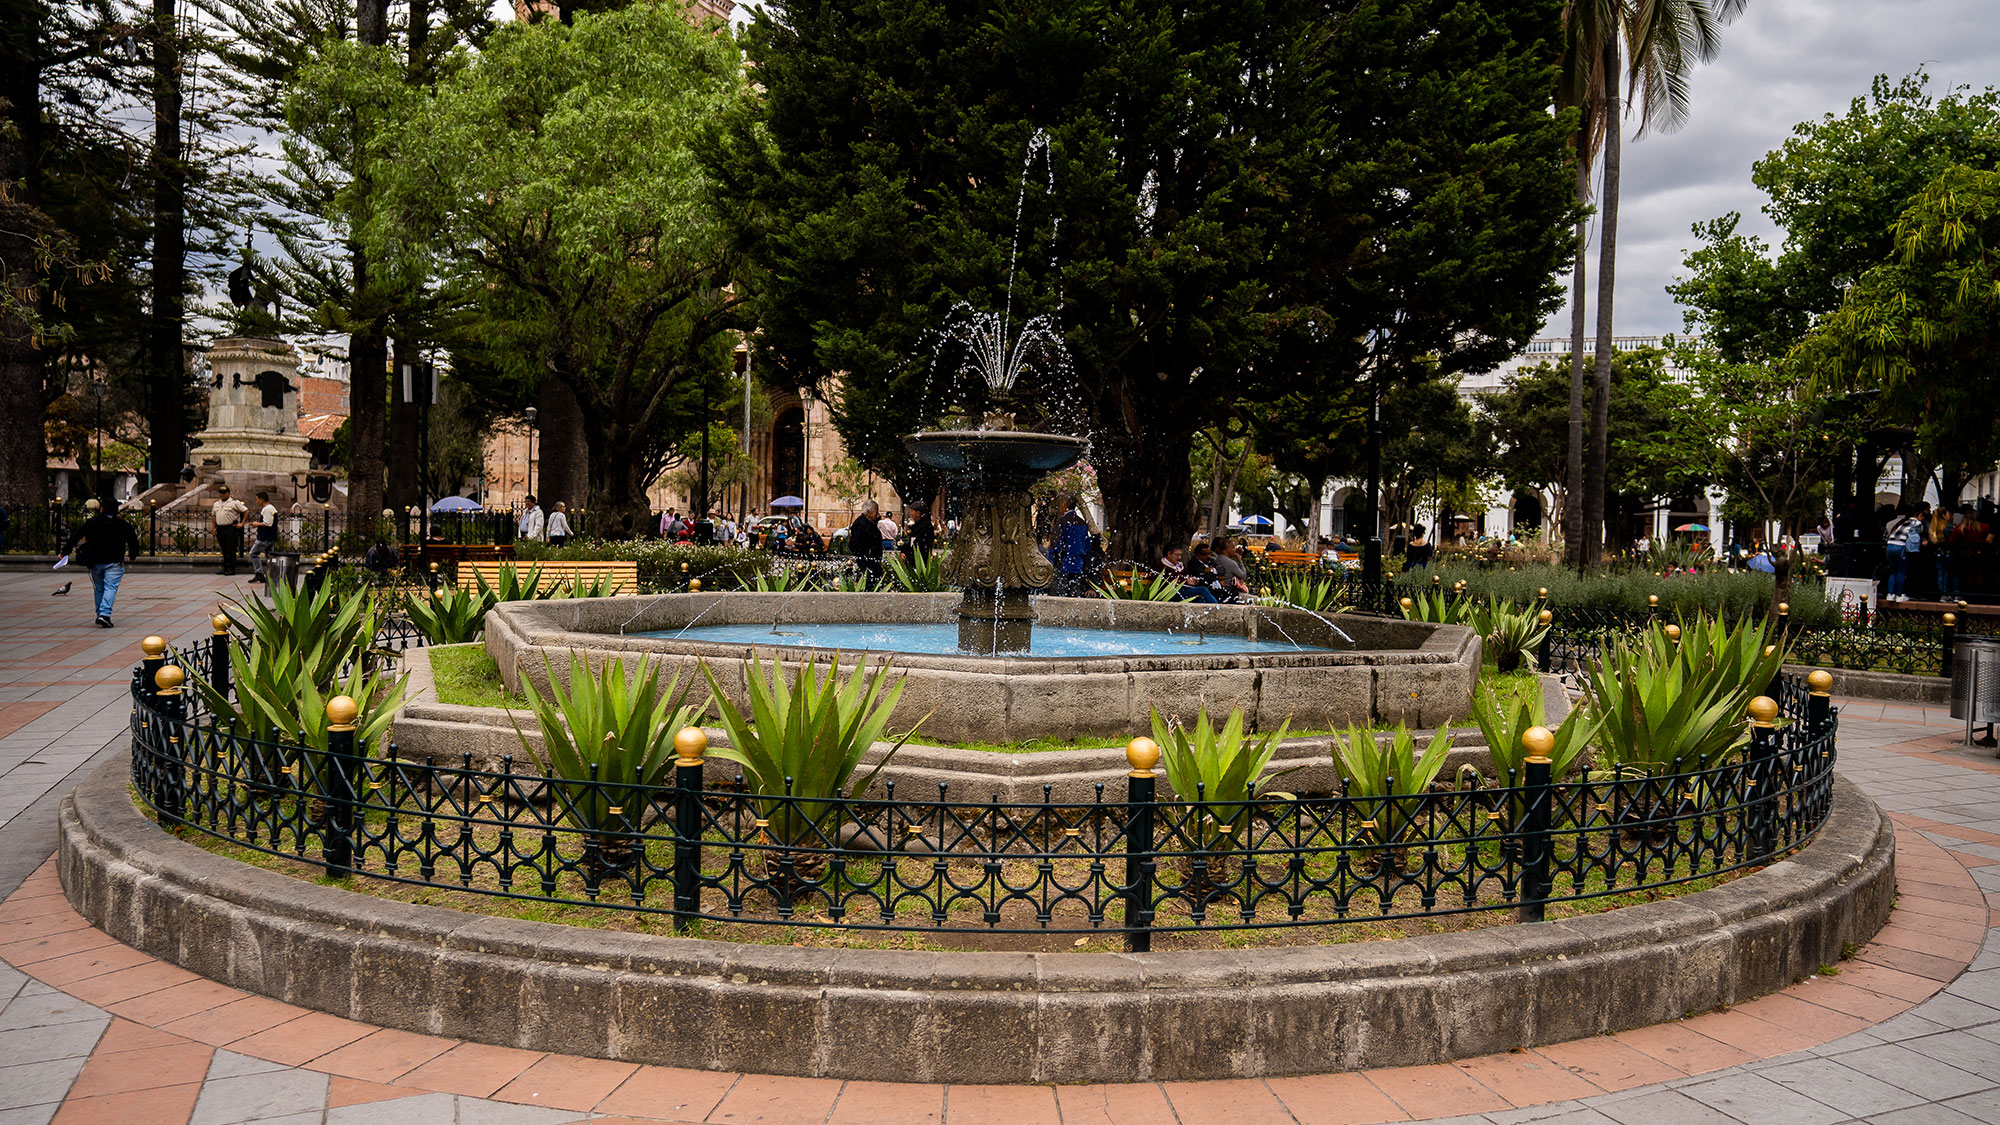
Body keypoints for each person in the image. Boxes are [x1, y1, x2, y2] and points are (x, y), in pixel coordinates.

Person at [63, 498, 140, 627]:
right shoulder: (122, 524)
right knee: (111, 587)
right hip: (114, 561)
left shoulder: (92, 523)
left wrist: (65, 551)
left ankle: (100, 613)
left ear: (102, 509)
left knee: (99, 588)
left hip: (95, 561)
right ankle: (104, 614)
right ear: (116, 510)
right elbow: (133, 540)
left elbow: (76, 536)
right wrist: (133, 554)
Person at [1883, 504, 1926, 603]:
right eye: (1921, 516)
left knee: (1893, 571)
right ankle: (1899, 595)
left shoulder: (1901, 523)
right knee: (1901, 571)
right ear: (1916, 515)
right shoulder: (1917, 523)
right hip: (1901, 547)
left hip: (1890, 546)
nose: (1922, 518)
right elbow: (1919, 533)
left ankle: (1890, 594)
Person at [1051, 496, 1091, 596]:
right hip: (1078, 564)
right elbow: (1087, 546)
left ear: (1064, 505)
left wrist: (1051, 559)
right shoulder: (1082, 522)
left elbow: (1056, 544)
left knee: (1058, 595)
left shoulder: (1062, 521)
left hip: (1063, 563)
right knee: (1074, 594)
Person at [212, 484, 248, 576]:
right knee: (224, 549)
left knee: (230, 549)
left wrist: (242, 523)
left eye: (224, 493)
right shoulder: (216, 503)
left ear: (228, 493)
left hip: (230, 528)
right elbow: (213, 515)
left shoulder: (234, 503)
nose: (222, 495)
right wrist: (214, 527)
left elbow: (246, 511)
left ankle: (231, 568)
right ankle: (225, 568)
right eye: (220, 493)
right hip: (220, 528)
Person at [847, 500, 884, 584]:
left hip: (873, 559)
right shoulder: (860, 524)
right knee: (870, 581)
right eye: (876, 512)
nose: (877, 514)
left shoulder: (870, 522)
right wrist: (867, 551)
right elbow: (854, 544)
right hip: (867, 560)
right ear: (868, 512)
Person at [248, 491, 279, 584]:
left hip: (264, 538)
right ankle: (273, 575)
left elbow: (268, 523)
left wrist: (256, 524)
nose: (256, 501)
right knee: (269, 556)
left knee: (253, 553)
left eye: (257, 499)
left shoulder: (268, 509)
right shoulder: (270, 508)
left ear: (262, 499)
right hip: (270, 537)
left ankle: (259, 573)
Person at [1211, 535, 1252, 600]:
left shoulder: (1219, 559)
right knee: (1255, 599)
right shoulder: (1230, 563)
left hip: (1220, 591)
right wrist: (1239, 560)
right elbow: (1243, 575)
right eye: (1232, 547)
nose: (1235, 549)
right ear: (1227, 549)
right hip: (1230, 593)